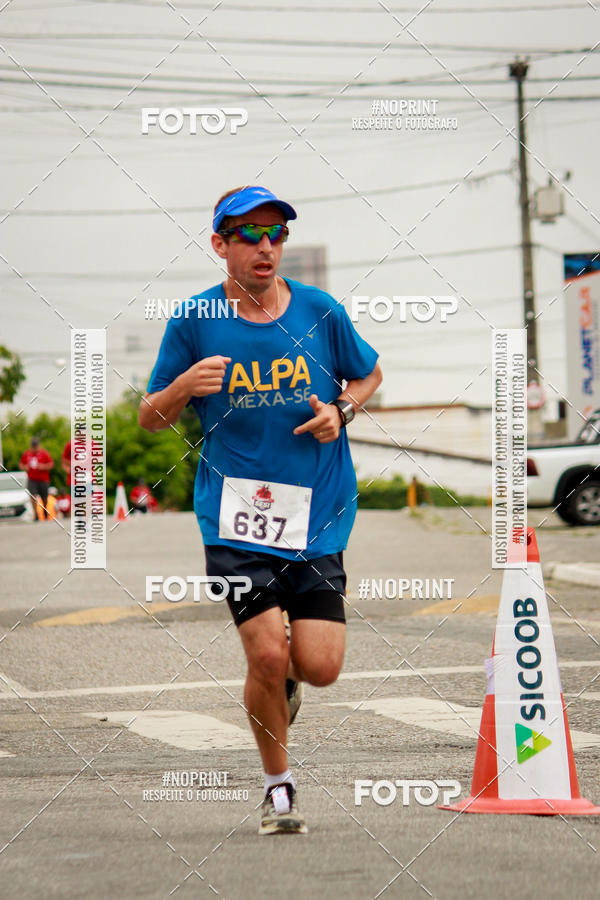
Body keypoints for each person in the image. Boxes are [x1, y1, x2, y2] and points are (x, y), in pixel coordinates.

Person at [140, 185, 382, 835]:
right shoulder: (193, 322)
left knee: (320, 666)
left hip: (318, 513)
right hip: (236, 514)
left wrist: (343, 411)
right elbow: (149, 417)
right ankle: (279, 789)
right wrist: (185, 386)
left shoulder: (319, 312)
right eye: (248, 235)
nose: (265, 246)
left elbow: (370, 374)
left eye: (275, 234)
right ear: (220, 245)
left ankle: (287, 692)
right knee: (266, 657)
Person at [19, 436, 54, 521]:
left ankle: (44, 511)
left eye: (36, 445)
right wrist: (25, 467)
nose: (34, 447)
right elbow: (21, 465)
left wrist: (43, 467)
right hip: (32, 479)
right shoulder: (27, 454)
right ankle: (36, 514)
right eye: (33, 445)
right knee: (33, 496)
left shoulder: (44, 453)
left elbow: (51, 465)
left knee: (44, 497)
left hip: (43, 479)